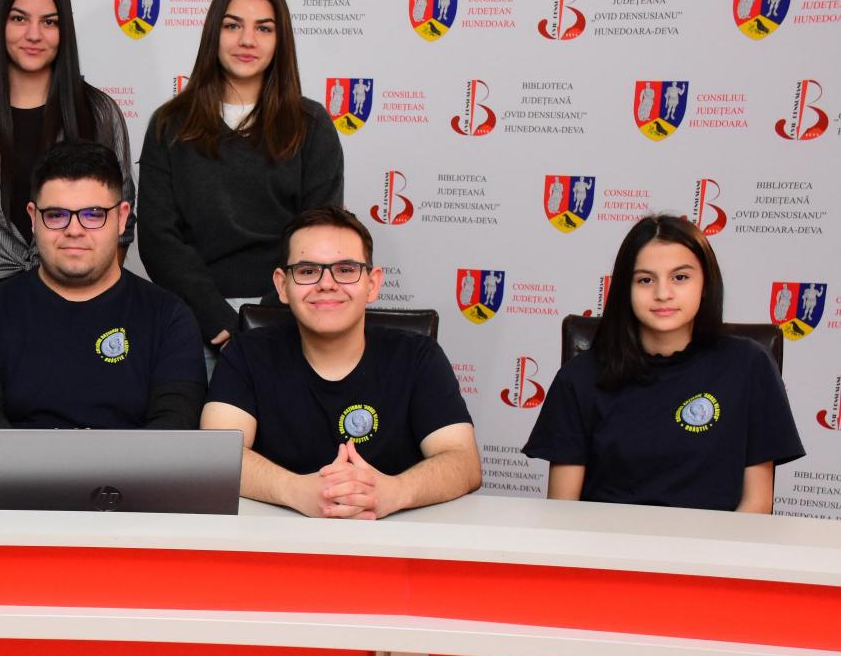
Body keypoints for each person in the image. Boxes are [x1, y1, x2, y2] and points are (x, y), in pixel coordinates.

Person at [201, 206, 480, 519]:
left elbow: (463, 461)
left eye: (346, 270)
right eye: (307, 271)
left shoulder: (418, 356)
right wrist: (295, 490)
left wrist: (393, 492)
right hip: (277, 538)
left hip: (393, 538)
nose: (327, 283)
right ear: (282, 286)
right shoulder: (246, 353)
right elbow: (216, 455)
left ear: (372, 284)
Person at [523, 214, 804, 512]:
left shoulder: (749, 366)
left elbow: (756, 504)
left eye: (680, 277)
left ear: (706, 284)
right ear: (625, 289)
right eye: (645, 280)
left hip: (715, 540)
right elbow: (563, 511)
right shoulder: (579, 378)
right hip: (608, 539)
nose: (662, 294)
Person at [0, 141, 204, 461]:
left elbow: (175, 429)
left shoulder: (169, 317)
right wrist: (59, 467)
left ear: (122, 218)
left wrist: (94, 467)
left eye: (93, 215)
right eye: (56, 215)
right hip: (19, 487)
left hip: (132, 487)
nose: (74, 230)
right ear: (33, 218)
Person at [139, 0, 343, 366]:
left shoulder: (312, 125)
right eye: (233, 25)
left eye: (263, 28)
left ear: (280, 40)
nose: (247, 40)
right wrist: (217, 318)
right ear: (214, 33)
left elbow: (320, 237)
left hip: (288, 320)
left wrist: (263, 320)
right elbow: (157, 237)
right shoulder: (169, 124)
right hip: (196, 322)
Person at [0, 0, 136, 291]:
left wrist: (95, 289)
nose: (33, 34)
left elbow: (121, 221)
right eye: (19, 19)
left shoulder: (100, 113)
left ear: (64, 31)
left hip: (84, 291)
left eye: (49, 22)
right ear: (1, 25)